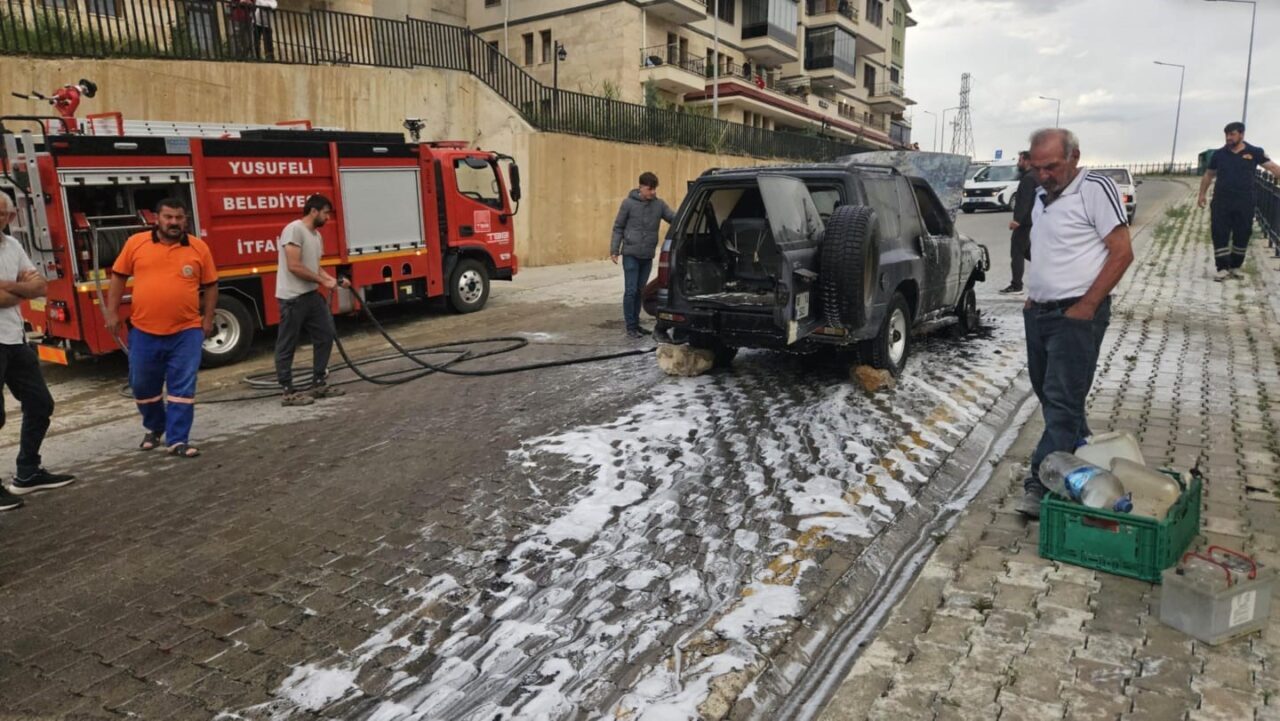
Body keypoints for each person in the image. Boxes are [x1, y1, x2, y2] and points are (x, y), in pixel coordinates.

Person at [1017, 128, 1134, 518]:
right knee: (1052, 398)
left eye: (1051, 166)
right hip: (1041, 314)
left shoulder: (1095, 188)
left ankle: (1039, 481)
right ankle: (1082, 463)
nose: (1044, 175)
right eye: (1037, 168)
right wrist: (1034, 295)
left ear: (1075, 157)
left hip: (1076, 316)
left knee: (1063, 401)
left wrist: (1087, 306)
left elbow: (1122, 253)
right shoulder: (1039, 196)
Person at [105, 198, 218, 459]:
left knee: (182, 387)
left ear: (186, 220)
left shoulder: (198, 248)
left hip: (186, 331)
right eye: (168, 217)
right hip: (144, 331)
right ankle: (155, 426)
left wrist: (208, 319)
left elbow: (211, 285)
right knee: (142, 385)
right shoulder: (136, 243)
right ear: (157, 218)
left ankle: (178, 440)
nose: (174, 222)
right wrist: (111, 312)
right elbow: (119, 276)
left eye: (179, 218)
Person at [0, 194, 74, 511]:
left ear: (10, 216)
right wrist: (18, 287)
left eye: (3, 213)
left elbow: (41, 287)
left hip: (16, 339)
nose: (2, 217)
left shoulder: (12, 247)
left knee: (41, 404)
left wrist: (10, 287)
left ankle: (27, 473)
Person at [274, 195, 349, 407]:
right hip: (292, 298)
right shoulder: (294, 230)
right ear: (314, 211)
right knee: (287, 342)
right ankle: (287, 391)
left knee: (325, 334)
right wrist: (322, 281)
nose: (327, 217)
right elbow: (294, 266)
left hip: (310, 295)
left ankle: (318, 383)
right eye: (325, 213)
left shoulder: (316, 236)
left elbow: (314, 266)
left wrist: (332, 280)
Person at [1198, 122, 1280, 281]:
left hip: (1245, 201)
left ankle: (1235, 266)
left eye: (1232, 134)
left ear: (1241, 134)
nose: (1228, 138)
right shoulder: (1219, 154)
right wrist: (1202, 194)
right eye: (1227, 135)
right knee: (1220, 232)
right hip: (1222, 200)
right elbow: (1208, 175)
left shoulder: (1254, 152)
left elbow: (1273, 168)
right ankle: (1222, 268)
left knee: (1243, 233)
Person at [610, 172, 675, 339]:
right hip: (631, 253)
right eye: (650, 189)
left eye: (655, 189)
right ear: (641, 187)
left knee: (640, 290)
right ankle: (630, 326)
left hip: (647, 255)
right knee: (631, 291)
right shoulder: (628, 204)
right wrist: (614, 250)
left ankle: (636, 324)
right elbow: (618, 227)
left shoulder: (659, 205)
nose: (653, 192)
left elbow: (674, 218)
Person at [1002, 150, 1037, 294]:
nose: (1018, 163)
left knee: (1017, 251)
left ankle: (1016, 285)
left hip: (1024, 222)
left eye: (1020, 160)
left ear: (1027, 161)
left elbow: (1024, 201)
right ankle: (1050, 265)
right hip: (1030, 220)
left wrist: (1017, 220)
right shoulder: (1033, 176)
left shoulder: (1028, 179)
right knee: (1027, 251)